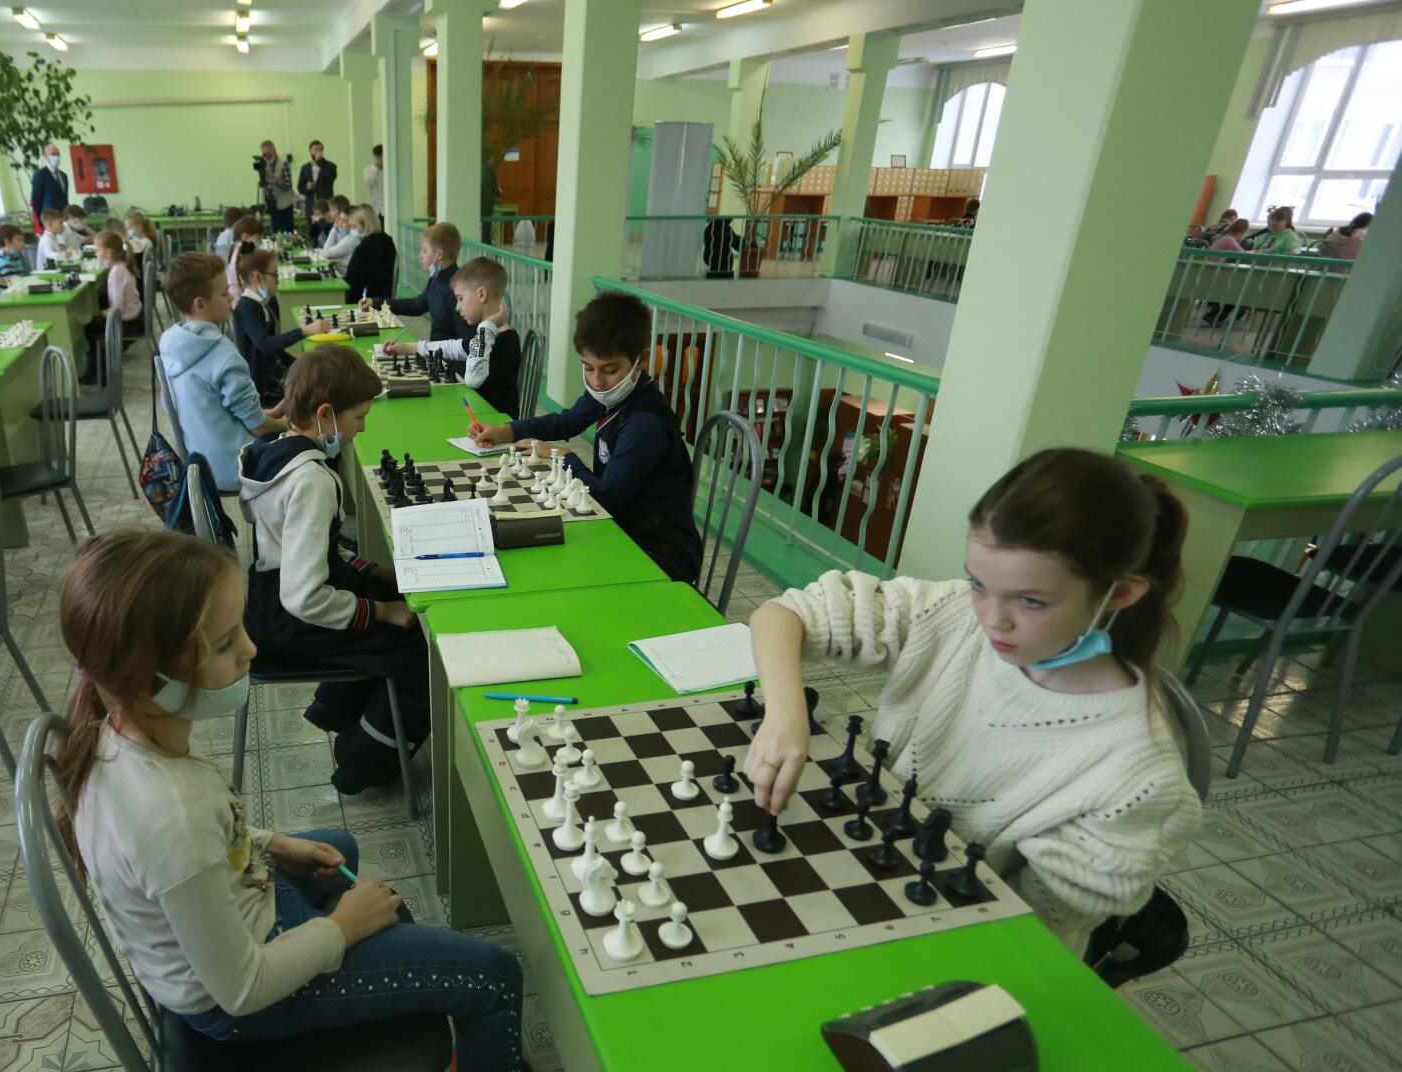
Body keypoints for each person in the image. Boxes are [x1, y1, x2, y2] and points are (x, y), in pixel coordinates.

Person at [56, 527, 596, 1072]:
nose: (251, 650)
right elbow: (242, 988)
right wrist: (342, 928)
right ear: (151, 677)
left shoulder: (119, 733)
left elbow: (198, 852)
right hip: (240, 1004)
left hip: (239, 923)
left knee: (333, 846)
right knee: (492, 975)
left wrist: (271, 843)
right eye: (225, 644)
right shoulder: (165, 811)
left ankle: (392, 998)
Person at [741, 448, 1201, 956]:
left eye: (1031, 601)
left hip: (955, 945)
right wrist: (786, 715)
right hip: (861, 870)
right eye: (979, 583)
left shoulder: (1138, 781)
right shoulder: (952, 613)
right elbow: (782, 615)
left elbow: (1027, 939)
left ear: (1120, 594)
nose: (991, 619)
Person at [239, 345, 434, 792]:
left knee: (393, 595)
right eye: (359, 417)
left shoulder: (272, 452)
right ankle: (359, 762)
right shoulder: (312, 481)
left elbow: (311, 547)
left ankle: (336, 705)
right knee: (423, 647)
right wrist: (383, 612)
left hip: (269, 598)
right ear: (325, 414)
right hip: (292, 618)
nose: (361, 428)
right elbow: (305, 596)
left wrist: (374, 572)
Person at [469, 292, 701, 583]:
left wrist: (564, 456)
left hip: (659, 555)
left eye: (610, 370)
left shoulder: (644, 424)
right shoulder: (612, 393)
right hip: (620, 530)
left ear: (641, 360)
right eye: (588, 368)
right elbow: (566, 422)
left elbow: (606, 497)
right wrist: (507, 431)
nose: (597, 381)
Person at [158, 251, 286, 493]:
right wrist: (288, 424)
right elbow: (257, 427)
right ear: (200, 304)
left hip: (197, 464)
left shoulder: (169, 345)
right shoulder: (222, 354)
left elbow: (214, 412)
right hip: (236, 464)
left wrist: (274, 413)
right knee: (313, 444)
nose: (232, 297)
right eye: (224, 292)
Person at [380, 257, 521, 418]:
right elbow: (456, 347)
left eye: (460, 299)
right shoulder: (486, 334)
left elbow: (472, 379)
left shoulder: (506, 339)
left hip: (496, 422)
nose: (457, 307)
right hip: (477, 415)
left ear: (482, 294)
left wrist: (486, 327)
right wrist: (409, 348)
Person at [231, 248, 330, 405]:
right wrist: (304, 331)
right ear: (257, 277)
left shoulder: (265, 304)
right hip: (264, 383)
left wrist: (302, 363)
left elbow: (277, 351)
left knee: (320, 373)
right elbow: (265, 345)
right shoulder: (246, 307)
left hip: (274, 370)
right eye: (274, 275)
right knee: (319, 389)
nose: (278, 281)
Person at [386, 221, 467, 346]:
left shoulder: (458, 288)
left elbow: (464, 342)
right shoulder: (436, 278)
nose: (420, 256)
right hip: (434, 351)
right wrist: (379, 303)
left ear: (439, 254)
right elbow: (417, 305)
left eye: (424, 251)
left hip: (447, 354)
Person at [82, 231, 144, 381]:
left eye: (97, 250)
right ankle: (98, 367)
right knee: (97, 310)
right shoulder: (121, 267)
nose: (96, 254)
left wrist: (100, 315)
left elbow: (117, 308)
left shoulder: (116, 273)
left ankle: (99, 373)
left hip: (128, 322)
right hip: (133, 316)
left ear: (108, 252)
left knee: (89, 328)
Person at [341, 204, 396, 304]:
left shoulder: (364, 248)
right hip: (385, 300)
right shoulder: (388, 241)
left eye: (354, 226)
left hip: (368, 303)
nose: (351, 230)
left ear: (364, 225)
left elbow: (352, 284)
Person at [253, 140, 296, 234]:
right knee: (275, 232)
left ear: (273, 150)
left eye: (267, 153)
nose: (266, 156)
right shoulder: (265, 165)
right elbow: (264, 184)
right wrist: (263, 177)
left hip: (285, 204)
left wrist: (274, 180)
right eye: (264, 153)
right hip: (272, 204)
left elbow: (288, 185)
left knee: (287, 232)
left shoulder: (284, 164)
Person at [30, 143, 70, 234]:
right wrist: (42, 222)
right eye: (53, 154)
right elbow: (36, 200)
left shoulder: (64, 175)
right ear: (45, 156)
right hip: (50, 221)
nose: (56, 157)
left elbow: (65, 197)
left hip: (63, 219)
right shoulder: (40, 174)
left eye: (58, 154)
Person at [224, 214, 264, 304]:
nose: (260, 242)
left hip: (237, 300)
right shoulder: (244, 254)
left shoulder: (237, 248)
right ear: (245, 237)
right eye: (258, 238)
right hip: (240, 302)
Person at [0, 225, 28, 293]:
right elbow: (12, 283)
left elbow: (20, 277)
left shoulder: (15, 255)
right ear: (7, 242)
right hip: (2, 295)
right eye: (19, 240)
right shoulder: (3, 260)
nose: (23, 243)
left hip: (12, 291)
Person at [297, 140, 337, 207]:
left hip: (326, 203)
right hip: (310, 204)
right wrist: (307, 187)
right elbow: (300, 187)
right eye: (315, 149)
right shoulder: (305, 167)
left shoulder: (331, 166)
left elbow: (331, 178)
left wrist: (320, 163)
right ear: (310, 151)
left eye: (320, 149)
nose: (318, 151)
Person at [362, 144, 385, 213]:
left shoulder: (390, 170)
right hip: (374, 206)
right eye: (376, 157)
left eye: (380, 157)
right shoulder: (368, 169)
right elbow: (368, 183)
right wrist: (376, 168)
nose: (379, 159)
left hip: (387, 206)